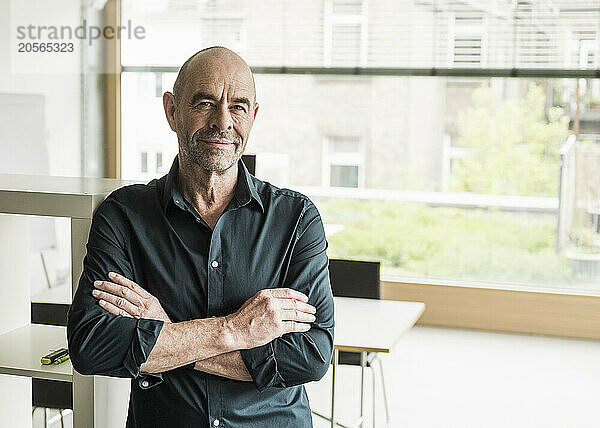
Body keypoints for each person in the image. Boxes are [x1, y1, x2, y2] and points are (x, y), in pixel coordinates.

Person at [67, 46, 335, 428]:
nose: (222, 121)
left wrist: (169, 335)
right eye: (205, 102)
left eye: (238, 106)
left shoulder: (296, 219)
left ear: (253, 117)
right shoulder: (124, 216)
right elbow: (92, 346)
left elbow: (310, 354)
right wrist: (236, 331)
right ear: (172, 111)